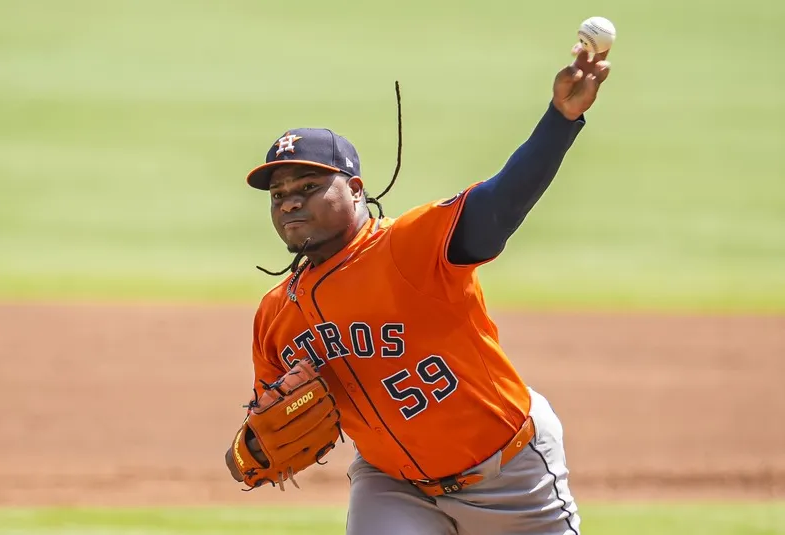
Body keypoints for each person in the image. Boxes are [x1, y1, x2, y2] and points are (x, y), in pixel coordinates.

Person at [226, 43, 612, 535]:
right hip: (393, 486)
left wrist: (560, 119)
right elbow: (264, 425)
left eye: (308, 187)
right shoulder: (277, 314)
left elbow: (501, 202)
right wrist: (251, 451)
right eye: (278, 195)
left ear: (356, 189)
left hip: (510, 474)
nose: (289, 203)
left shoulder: (411, 246)